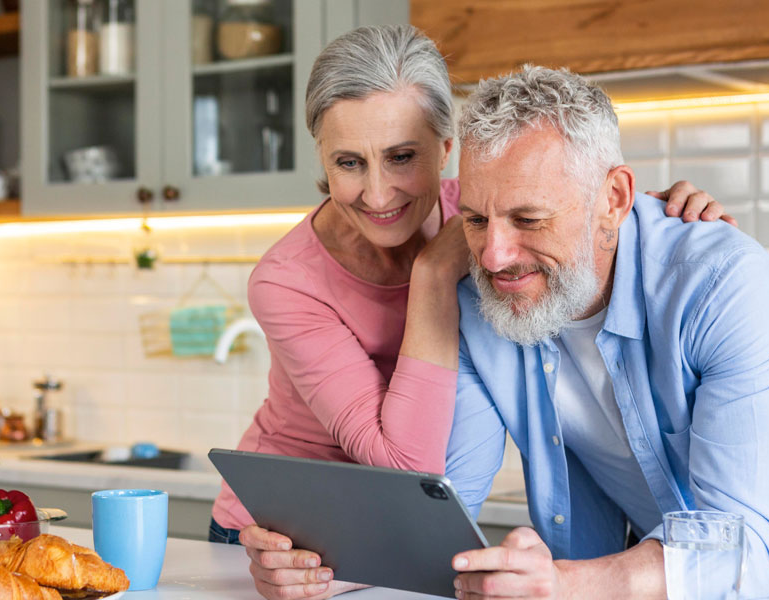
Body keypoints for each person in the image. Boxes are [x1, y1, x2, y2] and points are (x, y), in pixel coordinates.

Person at [212, 25, 734, 600]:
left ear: (445, 148)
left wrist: (667, 207)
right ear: (322, 158)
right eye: (349, 163)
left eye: (402, 157)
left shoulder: (484, 213)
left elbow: (579, 207)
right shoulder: (287, 282)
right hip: (288, 544)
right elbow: (406, 463)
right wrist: (432, 277)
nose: (379, 193)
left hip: (399, 529)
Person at [439, 65, 769, 599]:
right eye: (476, 221)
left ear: (614, 199)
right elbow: (447, 502)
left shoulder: (720, 282)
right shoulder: (483, 301)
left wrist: (562, 585)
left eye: (528, 220)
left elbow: (744, 548)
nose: (493, 255)